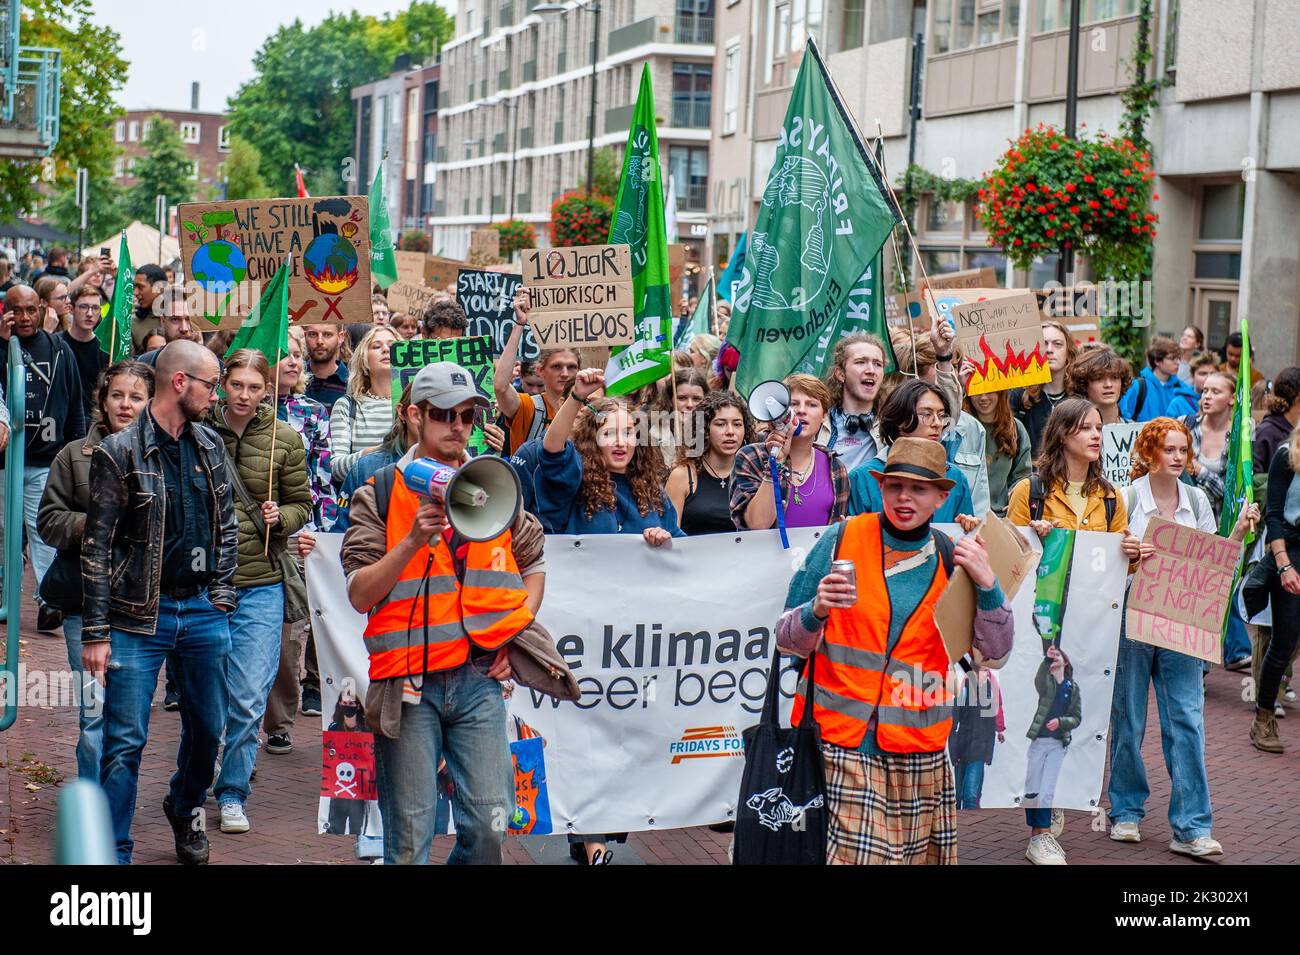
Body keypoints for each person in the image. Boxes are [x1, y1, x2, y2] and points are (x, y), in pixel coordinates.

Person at [341, 361, 545, 864]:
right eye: (443, 415)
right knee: (409, 839)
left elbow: (534, 562)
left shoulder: (491, 485)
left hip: (477, 679)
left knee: (492, 823)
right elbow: (360, 593)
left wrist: (511, 639)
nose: (457, 427)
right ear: (415, 415)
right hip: (408, 684)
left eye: (468, 416)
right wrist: (412, 540)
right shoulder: (381, 490)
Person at [775, 437, 1014, 863]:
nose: (904, 498)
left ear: (943, 496)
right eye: (894, 487)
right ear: (880, 488)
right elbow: (786, 638)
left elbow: (995, 652)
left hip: (919, 752)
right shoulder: (840, 540)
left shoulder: (953, 559)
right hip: (840, 746)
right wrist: (815, 610)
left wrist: (989, 586)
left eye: (919, 489)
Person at [80, 340, 238, 865]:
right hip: (134, 617)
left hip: (200, 610)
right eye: (211, 385)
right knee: (124, 742)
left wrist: (222, 596)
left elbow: (228, 527)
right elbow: (97, 545)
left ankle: (184, 803)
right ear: (179, 383)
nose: (217, 395)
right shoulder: (119, 450)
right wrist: (96, 633)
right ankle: (114, 852)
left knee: (210, 729)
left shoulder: (211, 445)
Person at [1109, 416, 1258, 856]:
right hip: (1134, 615)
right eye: (1168, 450)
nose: (1177, 457)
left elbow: (1213, 565)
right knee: (1129, 717)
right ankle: (1125, 812)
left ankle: (1192, 826)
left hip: (1182, 621)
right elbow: (1109, 555)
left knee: (1187, 722)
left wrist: (1238, 533)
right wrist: (1129, 551)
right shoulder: (1127, 497)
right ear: (1149, 452)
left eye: (1182, 450)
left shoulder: (1196, 499)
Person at [1006, 397, 1128, 865]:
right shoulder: (1029, 491)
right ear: (1061, 435)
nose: (1097, 435)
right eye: (1086, 428)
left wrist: (1131, 551)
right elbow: (1011, 560)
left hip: (1090, 626)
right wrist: (1031, 535)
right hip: (1041, 623)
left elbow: (1116, 567)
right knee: (1041, 721)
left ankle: (1054, 801)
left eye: (1100, 427)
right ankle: (1039, 828)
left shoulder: (1111, 497)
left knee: (1082, 718)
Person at [207, 349, 312, 833]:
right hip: (205, 582)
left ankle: (232, 792)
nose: (245, 395)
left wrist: (282, 517)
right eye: (237, 385)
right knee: (205, 694)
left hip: (261, 583)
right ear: (223, 384)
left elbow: (302, 505)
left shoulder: (284, 439)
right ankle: (199, 771)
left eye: (254, 387)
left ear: (266, 389)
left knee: (250, 696)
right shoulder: (199, 431)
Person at [36, 360, 153, 781]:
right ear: (102, 400)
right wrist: (94, 521)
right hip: (85, 602)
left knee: (128, 717)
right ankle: (93, 802)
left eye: (136, 397)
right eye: (117, 395)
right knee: (94, 710)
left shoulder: (162, 454)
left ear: (151, 402)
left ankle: (117, 799)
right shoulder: (74, 455)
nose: (125, 404)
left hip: (140, 604)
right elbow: (49, 521)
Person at [262, 326, 335, 754]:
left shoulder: (313, 413)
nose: (293, 361)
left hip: (295, 536)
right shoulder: (238, 409)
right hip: (248, 535)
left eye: (297, 354)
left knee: (292, 633)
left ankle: (279, 720)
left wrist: (316, 532)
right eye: (283, 354)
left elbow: (323, 482)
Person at [0, 284, 87, 633]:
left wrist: (79, 449)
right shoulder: (2, 346)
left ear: (41, 310)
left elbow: (75, 401)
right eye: (16, 310)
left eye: (30, 310)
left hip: (44, 461)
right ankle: (6, 597)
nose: (24, 317)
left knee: (42, 531)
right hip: (5, 464)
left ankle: (50, 599)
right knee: (5, 533)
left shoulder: (59, 349)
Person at [535, 368, 685, 539]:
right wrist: (576, 397)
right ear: (592, 440)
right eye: (609, 434)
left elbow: (680, 547)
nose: (620, 442)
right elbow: (552, 451)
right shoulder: (575, 481)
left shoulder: (653, 493)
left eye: (628, 433)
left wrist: (664, 539)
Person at [850, 379, 979, 530]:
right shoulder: (863, 477)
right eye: (927, 414)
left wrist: (967, 526)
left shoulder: (955, 477)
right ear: (901, 421)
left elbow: (963, 542)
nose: (937, 423)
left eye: (941, 415)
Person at [732, 373, 849, 530]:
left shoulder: (835, 467)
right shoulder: (751, 457)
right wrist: (776, 461)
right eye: (793, 404)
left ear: (824, 416)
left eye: (812, 404)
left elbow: (834, 533)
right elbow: (757, 525)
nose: (801, 410)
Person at [1253, 427, 1300, 754]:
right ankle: (1264, 716)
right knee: (1283, 642)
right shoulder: (1288, 454)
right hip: (1292, 552)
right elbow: (1274, 514)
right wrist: (1283, 564)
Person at [494, 291, 579, 455]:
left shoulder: (586, 412)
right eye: (556, 366)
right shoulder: (529, 407)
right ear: (541, 371)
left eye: (571, 367)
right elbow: (501, 387)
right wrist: (520, 324)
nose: (564, 373)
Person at [665, 391, 755, 535]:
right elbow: (669, 535)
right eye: (720, 424)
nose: (730, 432)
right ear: (704, 429)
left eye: (737, 424)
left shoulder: (754, 475)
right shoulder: (682, 475)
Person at [329, 325, 397, 486]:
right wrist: (376, 453)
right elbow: (336, 468)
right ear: (364, 360)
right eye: (376, 346)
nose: (386, 350)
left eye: (392, 345)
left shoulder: (415, 405)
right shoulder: (347, 406)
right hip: (365, 504)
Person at [1022, 645, 1080, 823]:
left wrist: (1061, 722)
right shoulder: (1046, 683)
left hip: (1057, 744)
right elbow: (1039, 679)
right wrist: (1047, 659)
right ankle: (1035, 824)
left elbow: (1076, 718)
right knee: (1032, 788)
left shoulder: (1072, 688)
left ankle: (1044, 827)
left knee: (1047, 789)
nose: (1054, 659)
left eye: (1057, 657)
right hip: (1039, 741)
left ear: (1066, 662)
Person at [1011, 320, 1078, 456]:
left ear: (1068, 351)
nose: (1049, 350)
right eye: (1042, 344)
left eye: (1057, 344)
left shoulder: (1080, 395)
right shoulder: (1019, 395)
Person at [822, 333, 887, 473]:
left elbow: (942, 419)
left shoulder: (891, 425)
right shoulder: (819, 423)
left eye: (878, 364)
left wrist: (943, 359)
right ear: (840, 374)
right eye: (860, 362)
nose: (871, 370)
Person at [964, 389, 1031, 517]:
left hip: (1001, 516)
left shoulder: (1016, 429)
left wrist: (1014, 498)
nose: (983, 397)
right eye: (977, 391)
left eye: (990, 391)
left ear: (1001, 393)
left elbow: (1022, 475)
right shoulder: (961, 427)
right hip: (966, 516)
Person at [949, 662, 1005, 809]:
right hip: (961, 752)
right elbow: (953, 724)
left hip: (978, 753)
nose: (988, 674)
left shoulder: (989, 693)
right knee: (958, 796)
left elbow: (989, 726)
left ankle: (970, 826)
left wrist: (988, 754)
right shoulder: (964, 691)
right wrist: (953, 753)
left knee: (971, 796)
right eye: (984, 671)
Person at [1118, 336, 1199, 423]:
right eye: (1172, 358)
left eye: (1179, 358)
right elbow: (1124, 416)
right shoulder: (1138, 386)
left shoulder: (1182, 388)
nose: (1178, 362)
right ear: (1157, 361)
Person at [1186, 371, 1234, 517]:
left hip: (1218, 523)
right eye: (1205, 391)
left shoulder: (1238, 439)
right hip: (1183, 518)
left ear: (1232, 399)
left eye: (1216, 392)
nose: (1207, 396)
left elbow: (1230, 494)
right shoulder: (1185, 425)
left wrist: (1199, 470)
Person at [58, 285, 108, 420]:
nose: (90, 313)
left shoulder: (104, 348)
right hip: (63, 418)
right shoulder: (57, 343)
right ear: (71, 309)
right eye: (83, 307)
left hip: (94, 421)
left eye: (95, 308)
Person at [650, 367, 709, 469]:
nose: (690, 405)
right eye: (682, 398)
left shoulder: (713, 432)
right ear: (670, 400)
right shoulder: (653, 434)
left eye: (696, 399)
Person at [1066, 346, 1133, 426]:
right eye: (1099, 378)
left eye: (1115, 377)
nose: (1108, 385)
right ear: (1083, 384)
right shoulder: (1071, 431)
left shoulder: (1136, 431)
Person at [303, 322, 351, 410]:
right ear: (305, 336)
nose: (319, 341)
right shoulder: (292, 380)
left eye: (327, 334)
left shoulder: (352, 383)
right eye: (313, 334)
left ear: (341, 337)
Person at [130, 264, 168, 353]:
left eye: (140, 287)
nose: (135, 292)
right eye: (134, 287)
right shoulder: (132, 324)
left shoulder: (182, 318)